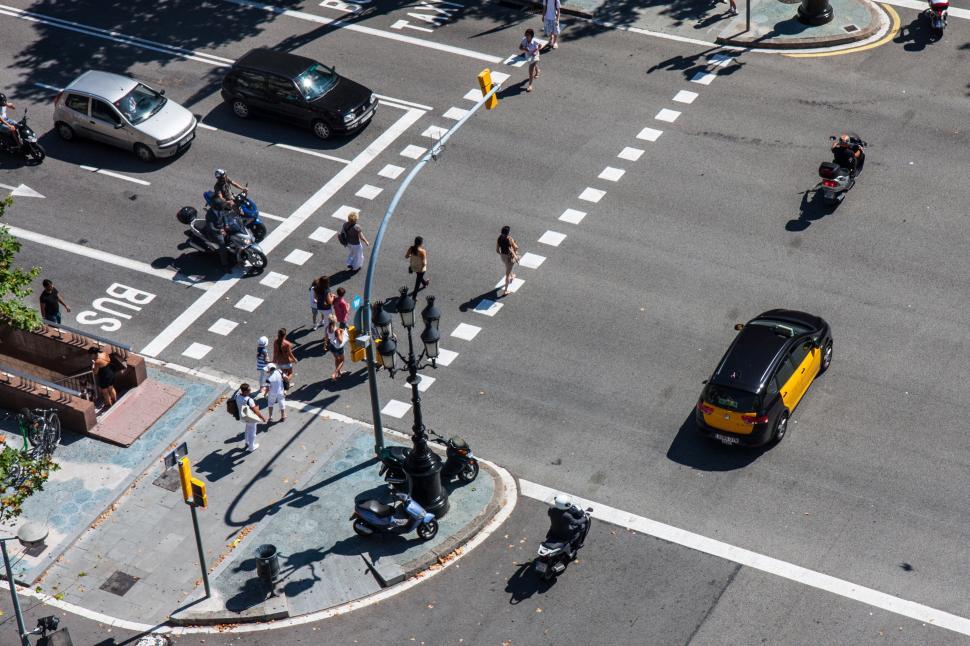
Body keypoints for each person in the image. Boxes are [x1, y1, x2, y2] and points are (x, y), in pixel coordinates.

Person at [235, 383, 266, 452]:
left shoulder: (237, 396)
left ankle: (247, 443)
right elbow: (256, 411)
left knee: (247, 429)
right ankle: (251, 447)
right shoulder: (249, 400)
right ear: (245, 391)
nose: (250, 390)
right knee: (253, 433)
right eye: (249, 390)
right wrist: (262, 417)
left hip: (242, 416)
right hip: (250, 418)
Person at [496, 225, 519, 296]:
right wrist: (514, 244)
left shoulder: (499, 238)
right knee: (507, 275)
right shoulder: (509, 239)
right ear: (508, 233)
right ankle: (505, 291)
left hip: (503, 256)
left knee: (508, 267)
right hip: (509, 257)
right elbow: (516, 247)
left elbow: (497, 250)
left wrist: (502, 254)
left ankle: (512, 275)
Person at [325, 315, 348, 380]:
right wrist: (342, 332)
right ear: (335, 321)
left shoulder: (327, 328)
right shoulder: (337, 330)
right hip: (338, 347)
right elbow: (340, 341)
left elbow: (326, 337)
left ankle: (339, 372)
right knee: (342, 360)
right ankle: (335, 373)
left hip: (332, 346)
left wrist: (325, 345)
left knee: (337, 359)